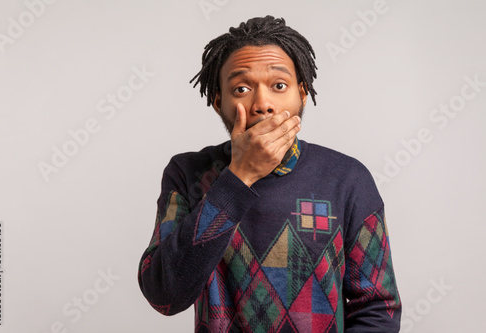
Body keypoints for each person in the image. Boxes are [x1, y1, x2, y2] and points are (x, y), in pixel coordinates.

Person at [138, 15, 401, 332]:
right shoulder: (188, 173)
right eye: (242, 88)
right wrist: (238, 178)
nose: (263, 103)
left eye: (279, 86)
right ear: (218, 101)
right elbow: (164, 295)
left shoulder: (348, 179)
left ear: (302, 94)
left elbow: (377, 308)